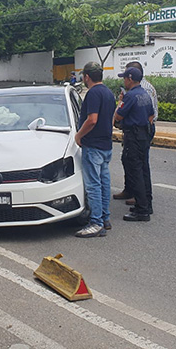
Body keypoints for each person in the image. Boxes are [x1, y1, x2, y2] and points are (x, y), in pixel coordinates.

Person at [74, 62, 116, 238]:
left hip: (93, 146)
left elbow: (92, 120)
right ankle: (105, 218)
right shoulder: (109, 93)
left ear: (87, 77)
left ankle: (96, 222)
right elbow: (111, 118)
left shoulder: (93, 94)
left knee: (93, 185)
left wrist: (78, 136)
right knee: (104, 183)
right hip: (106, 145)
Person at [113, 61, 157, 207]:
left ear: (130, 79)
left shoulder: (131, 95)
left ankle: (141, 206)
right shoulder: (144, 93)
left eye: (125, 78)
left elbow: (118, 116)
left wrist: (121, 101)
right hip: (143, 133)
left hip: (134, 135)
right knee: (142, 168)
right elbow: (151, 115)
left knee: (136, 169)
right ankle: (145, 202)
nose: (124, 81)